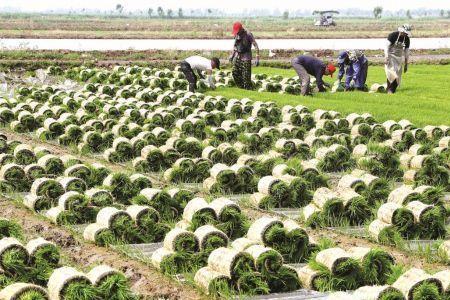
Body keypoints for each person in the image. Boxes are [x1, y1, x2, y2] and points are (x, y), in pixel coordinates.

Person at [229, 22, 260, 90]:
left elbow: (255, 45)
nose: (237, 33)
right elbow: (235, 47)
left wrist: (257, 57)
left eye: (238, 31)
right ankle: (241, 88)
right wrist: (232, 56)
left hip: (246, 58)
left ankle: (248, 89)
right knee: (234, 72)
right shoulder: (237, 35)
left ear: (241, 29)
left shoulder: (248, 34)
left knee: (246, 78)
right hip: (238, 57)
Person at [385, 24, 411, 94]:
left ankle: (392, 89)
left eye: (406, 33)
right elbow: (386, 47)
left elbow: (406, 52)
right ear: (401, 30)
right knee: (392, 73)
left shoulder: (407, 39)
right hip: (390, 57)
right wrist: (386, 57)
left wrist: (406, 64)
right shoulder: (393, 35)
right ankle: (390, 89)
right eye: (404, 33)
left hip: (399, 58)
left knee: (398, 74)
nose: (405, 34)